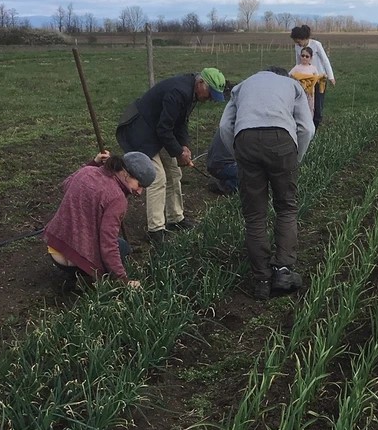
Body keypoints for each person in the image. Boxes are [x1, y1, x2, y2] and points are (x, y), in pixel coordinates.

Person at [218, 67, 315, 300]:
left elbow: (224, 126)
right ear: (281, 75)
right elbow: (307, 128)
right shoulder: (292, 85)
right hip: (282, 141)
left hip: (245, 141)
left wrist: (239, 155)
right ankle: (283, 271)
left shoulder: (242, 86)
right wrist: (295, 156)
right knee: (286, 208)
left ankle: (261, 280)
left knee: (254, 215)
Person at [115, 67, 226, 244]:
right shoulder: (179, 92)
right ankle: (155, 230)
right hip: (139, 131)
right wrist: (178, 152)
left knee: (174, 173)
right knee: (157, 177)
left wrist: (184, 146)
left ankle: (176, 218)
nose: (210, 98)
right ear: (201, 83)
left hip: (157, 131)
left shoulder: (192, 93)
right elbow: (164, 128)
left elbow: (181, 122)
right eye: (210, 93)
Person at [44, 151, 157, 288]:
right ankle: (89, 280)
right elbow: (108, 243)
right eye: (139, 185)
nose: (139, 192)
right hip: (75, 260)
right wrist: (122, 280)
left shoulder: (87, 170)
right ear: (126, 174)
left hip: (55, 247)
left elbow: (66, 185)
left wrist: (94, 163)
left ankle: (77, 274)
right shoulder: (116, 198)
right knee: (122, 247)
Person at [290, 24, 335, 128]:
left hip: (318, 79)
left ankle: (316, 126)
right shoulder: (297, 47)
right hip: (306, 81)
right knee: (305, 104)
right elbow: (298, 62)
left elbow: (325, 60)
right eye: (296, 42)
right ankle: (306, 125)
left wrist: (331, 77)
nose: (298, 44)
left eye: (298, 41)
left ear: (305, 38)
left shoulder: (316, 45)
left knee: (318, 104)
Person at [289, 46, 324, 118]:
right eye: (303, 56)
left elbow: (316, 78)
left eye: (307, 56)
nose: (304, 58)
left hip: (310, 93)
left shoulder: (313, 68)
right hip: (299, 91)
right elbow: (290, 75)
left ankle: (309, 121)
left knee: (310, 107)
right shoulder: (297, 67)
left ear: (310, 58)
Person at [205, 128, 238, 195]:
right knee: (251, 175)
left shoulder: (230, 122)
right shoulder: (243, 129)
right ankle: (225, 186)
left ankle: (222, 181)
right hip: (223, 166)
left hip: (215, 164)